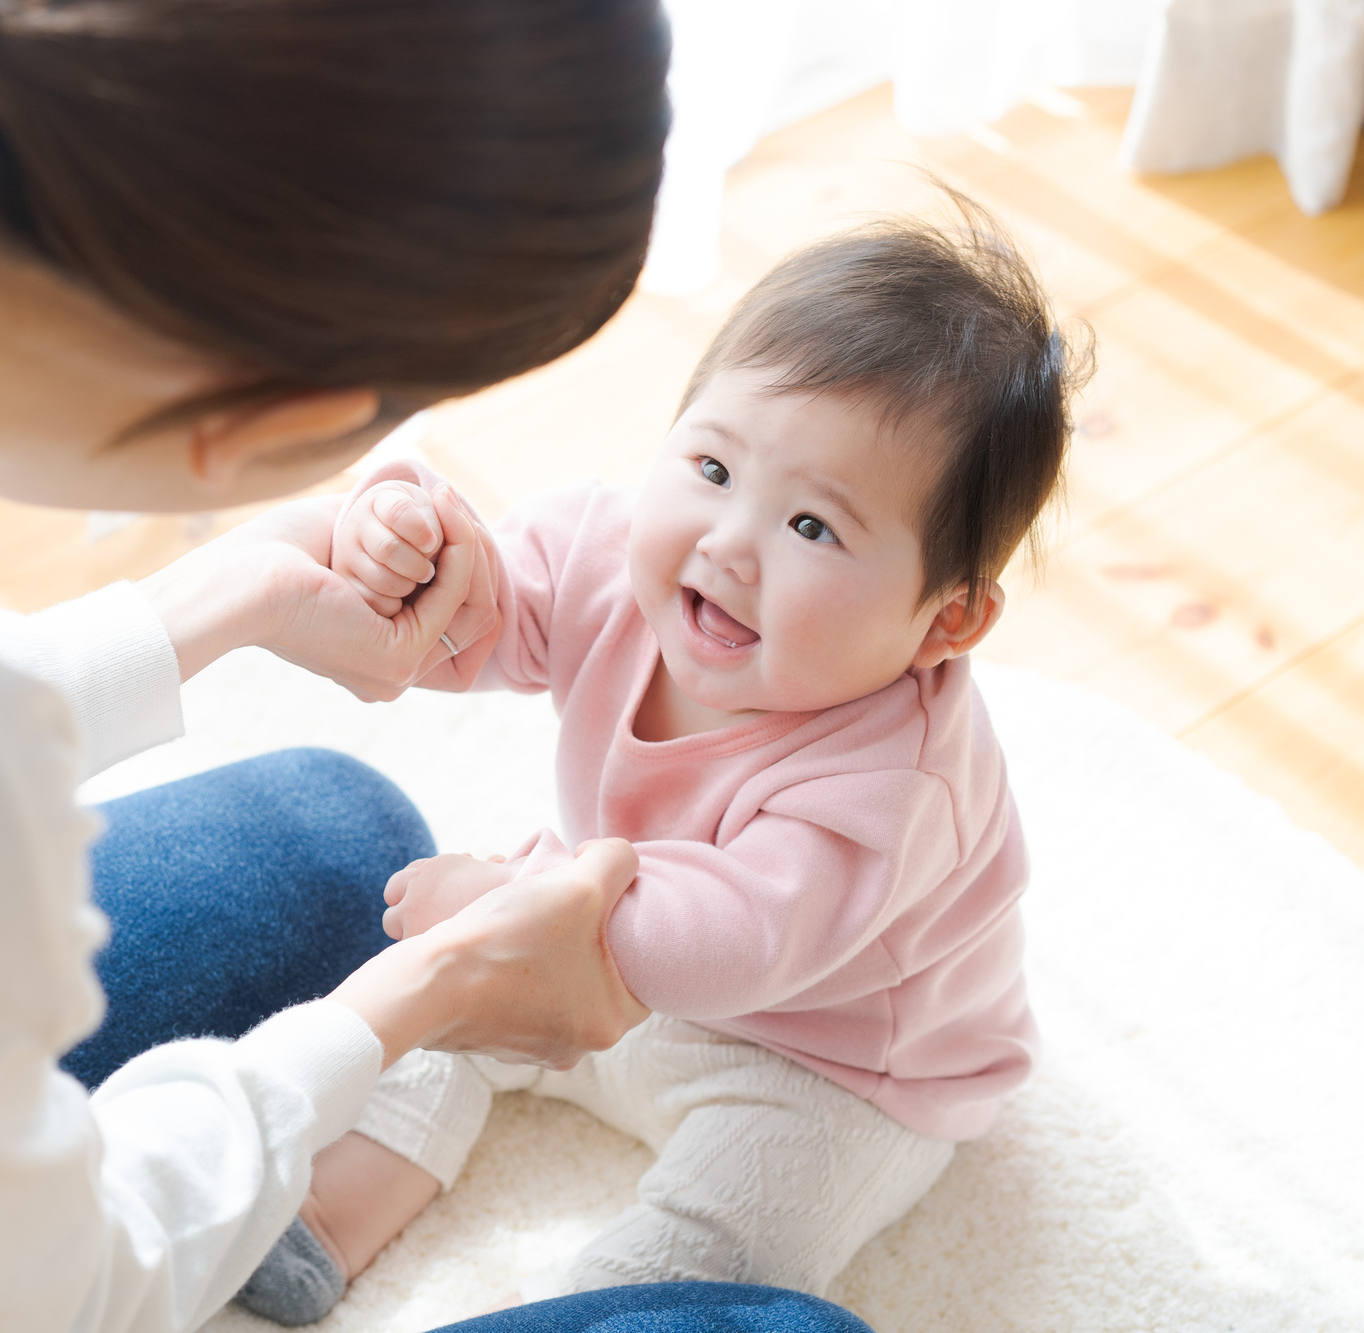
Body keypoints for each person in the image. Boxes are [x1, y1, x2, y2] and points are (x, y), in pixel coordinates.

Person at [0, 0, 887, 1329]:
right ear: (252, 424)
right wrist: (428, 992)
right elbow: (46, 1298)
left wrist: (215, 605)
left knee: (340, 832)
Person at [237, 204, 1093, 1324]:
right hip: (608, 970)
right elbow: (490, 619)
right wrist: (418, 554)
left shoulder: (895, 779)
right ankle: (327, 1212)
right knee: (438, 1015)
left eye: (812, 529)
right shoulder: (611, 550)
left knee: (729, 1233)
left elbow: (737, 942)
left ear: (945, 622)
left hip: (825, 1068)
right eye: (710, 465)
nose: (728, 542)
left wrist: (517, 909)